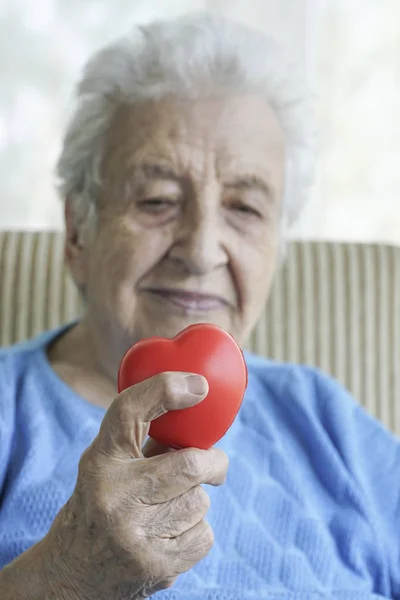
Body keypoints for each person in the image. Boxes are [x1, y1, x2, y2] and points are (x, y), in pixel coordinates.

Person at [0, 12, 398, 600]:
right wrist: (61, 577)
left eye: (245, 208)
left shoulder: (325, 418)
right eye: (158, 199)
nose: (202, 250)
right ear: (78, 232)